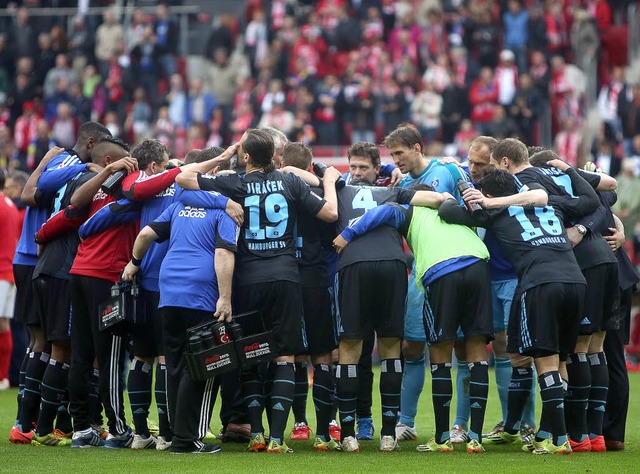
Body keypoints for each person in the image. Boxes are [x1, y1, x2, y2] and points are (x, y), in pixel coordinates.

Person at [175, 129, 340, 454]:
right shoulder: (290, 183)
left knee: (250, 355)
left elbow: (183, 177)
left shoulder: (236, 182)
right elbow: (331, 214)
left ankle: (257, 435)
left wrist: (222, 157)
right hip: (286, 278)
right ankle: (278, 440)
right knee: (284, 356)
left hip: (248, 279)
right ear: (276, 156)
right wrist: (330, 185)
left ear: (246, 155)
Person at [439, 164, 601, 454]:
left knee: (544, 361)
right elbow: (574, 199)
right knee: (562, 361)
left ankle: (560, 441)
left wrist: (465, 194)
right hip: (577, 282)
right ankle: (546, 435)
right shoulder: (552, 206)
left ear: (487, 194)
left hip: (540, 284)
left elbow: (448, 212)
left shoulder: (493, 211)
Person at [332, 183, 495, 454]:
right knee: (475, 351)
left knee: (438, 352)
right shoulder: (454, 211)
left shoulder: (409, 211)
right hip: (478, 264)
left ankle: (440, 438)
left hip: (441, 270)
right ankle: (473, 436)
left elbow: (382, 212)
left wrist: (347, 233)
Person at [495, 139, 619, 452]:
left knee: (572, 351)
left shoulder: (537, 181)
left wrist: (582, 229)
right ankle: (591, 435)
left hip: (577, 264)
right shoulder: (565, 176)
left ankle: (574, 436)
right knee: (595, 349)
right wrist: (604, 221)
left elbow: (602, 195)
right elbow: (608, 190)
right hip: (603, 262)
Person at [10, 122, 112, 445]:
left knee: (40, 342)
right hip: (46, 260)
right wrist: (76, 166)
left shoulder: (66, 167)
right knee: (59, 346)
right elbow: (28, 195)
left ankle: (27, 424)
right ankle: (43, 426)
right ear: (92, 144)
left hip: (37, 258)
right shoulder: (72, 166)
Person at [120, 186, 238, 454]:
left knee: (173, 365)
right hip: (201, 293)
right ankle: (188, 439)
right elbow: (222, 253)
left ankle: (175, 435)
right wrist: (225, 297)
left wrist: (134, 262)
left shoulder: (177, 208)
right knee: (201, 367)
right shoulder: (224, 211)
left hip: (169, 290)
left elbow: (145, 234)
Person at [382, 123, 472, 444]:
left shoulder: (447, 170)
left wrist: (459, 169)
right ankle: (406, 422)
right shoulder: (402, 183)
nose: (396, 160)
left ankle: (461, 425)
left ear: (417, 148)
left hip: (455, 265)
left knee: (461, 348)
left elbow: (473, 202)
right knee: (412, 346)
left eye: (400, 153)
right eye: (391, 155)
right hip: (421, 274)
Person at [281, 142, 339, 451]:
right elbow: (333, 222)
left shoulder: (275, 190)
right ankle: (324, 431)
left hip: (286, 278)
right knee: (322, 356)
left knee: (293, 356)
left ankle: (298, 423)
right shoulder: (319, 197)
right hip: (316, 279)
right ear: (309, 167)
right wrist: (324, 179)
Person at [0, 171, 21, 390]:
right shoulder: (10, 205)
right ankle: (4, 376)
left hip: (1, 270)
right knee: (4, 324)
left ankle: (3, 376)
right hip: (8, 271)